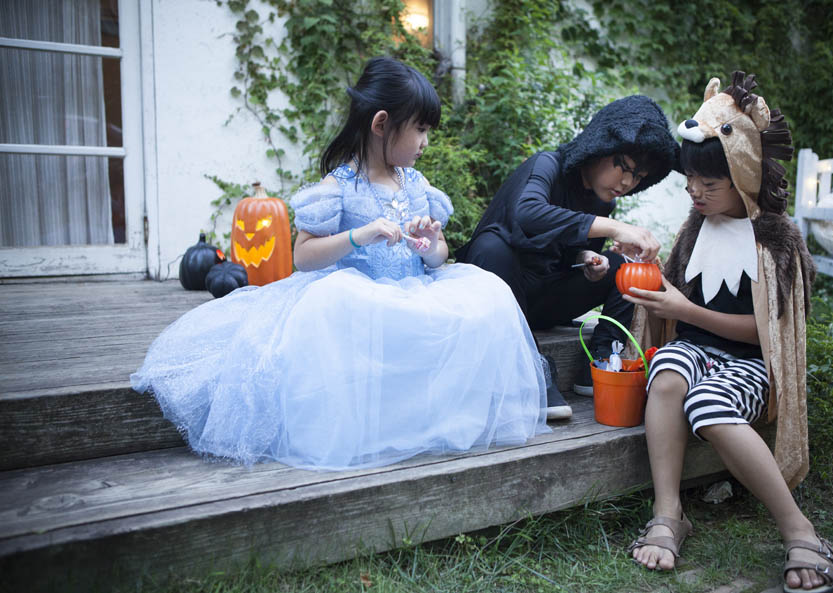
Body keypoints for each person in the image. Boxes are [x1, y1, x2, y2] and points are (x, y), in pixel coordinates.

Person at [131, 56, 549, 471]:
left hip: (414, 291)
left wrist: (426, 244)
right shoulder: (339, 187)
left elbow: (440, 255)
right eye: (420, 129)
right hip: (356, 296)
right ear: (381, 123)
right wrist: (359, 235)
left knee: (487, 295)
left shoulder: (419, 185)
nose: (426, 142)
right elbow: (304, 257)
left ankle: (430, 416)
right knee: (339, 302)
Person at [624, 72, 833, 593]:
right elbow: (670, 299)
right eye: (689, 182)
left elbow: (771, 335)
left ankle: (800, 531)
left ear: (742, 174)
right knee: (669, 370)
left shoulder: (776, 240)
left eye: (709, 184)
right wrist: (643, 274)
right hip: (694, 352)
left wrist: (686, 311)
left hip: (747, 364)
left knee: (709, 405)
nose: (695, 192)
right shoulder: (694, 229)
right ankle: (669, 513)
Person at [455, 95, 680, 418]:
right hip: (498, 297)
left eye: (639, 177)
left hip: (544, 300)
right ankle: (532, 366)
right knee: (492, 247)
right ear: (599, 147)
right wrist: (615, 228)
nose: (628, 182)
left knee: (621, 266)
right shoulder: (547, 165)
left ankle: (602, 357)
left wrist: (588, 258)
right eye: (624, 168)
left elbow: (567, 246)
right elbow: (528, 213)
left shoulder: (604, 202)